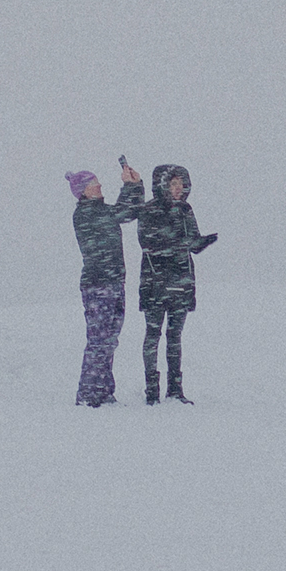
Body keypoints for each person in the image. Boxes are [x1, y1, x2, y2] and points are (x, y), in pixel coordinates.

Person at [135, 163, 216, 403]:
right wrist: (184, 244)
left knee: (175, 337)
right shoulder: (148, 209)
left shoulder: (186, 210)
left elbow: (192, 243)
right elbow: (150, 244)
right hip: (155, 283)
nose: (179, 188)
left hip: (182, 282)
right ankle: (152, 391)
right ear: (162, 185)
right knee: (153, 334)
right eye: (173, 184)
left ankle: (175, 390)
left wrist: (204, 242)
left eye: (181, 183)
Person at [67, 166, 145, 406]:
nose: (100, 186)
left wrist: (135, 185)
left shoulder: (99, 210)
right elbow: (122, 212)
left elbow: (130, 212)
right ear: (83, 191)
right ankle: (89, 395)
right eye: (94, 183)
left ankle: (103, 392)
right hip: (98, 285)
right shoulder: (86, 214)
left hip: (114, 282)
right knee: (99, 340)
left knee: (109, 339)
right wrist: (130, 187)